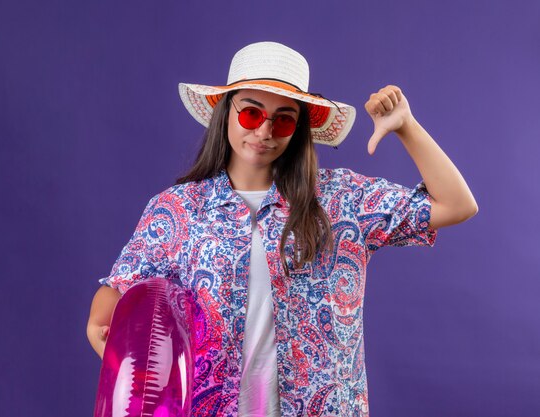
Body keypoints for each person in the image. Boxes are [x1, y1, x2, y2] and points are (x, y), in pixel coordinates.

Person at [86, 42, 478, 417]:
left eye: (284, 119)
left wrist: (406, 126)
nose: (264, 131)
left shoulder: (342, 200)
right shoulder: (177, 210)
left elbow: (456, 205)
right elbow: (106, 317)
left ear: (299, 128)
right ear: (226, 112)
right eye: (252, 114)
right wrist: (144, 374)